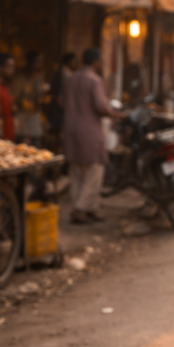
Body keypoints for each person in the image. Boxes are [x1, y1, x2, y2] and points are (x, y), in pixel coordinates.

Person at [61, 48, 121, 224]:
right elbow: (101, 107)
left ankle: (90, 209)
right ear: (96, 61)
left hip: (70, 130)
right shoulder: (94, 80)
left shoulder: (71, 79)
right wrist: (115, 114)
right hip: (89, 131)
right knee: (94, 171)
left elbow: (60, 102)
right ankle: (80, 209)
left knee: (76, 172)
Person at [11, 51, 45, 147]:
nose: (39, 65)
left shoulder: (38, 77)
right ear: (29, 62)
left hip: (34, 117)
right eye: (37, 62)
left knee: (36, 145)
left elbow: (40, 97)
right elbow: (14, 100)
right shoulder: (18, 78)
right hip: (22, 117)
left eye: (40, 62)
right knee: (22, 145)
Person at [47, 52, 78, 137]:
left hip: (62, 107)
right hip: (59, 108)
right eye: (74, 61)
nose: (75, 64)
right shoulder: (62, 74)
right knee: (58, 130)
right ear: (69, 61)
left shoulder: (68, 73)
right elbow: (58, 92)